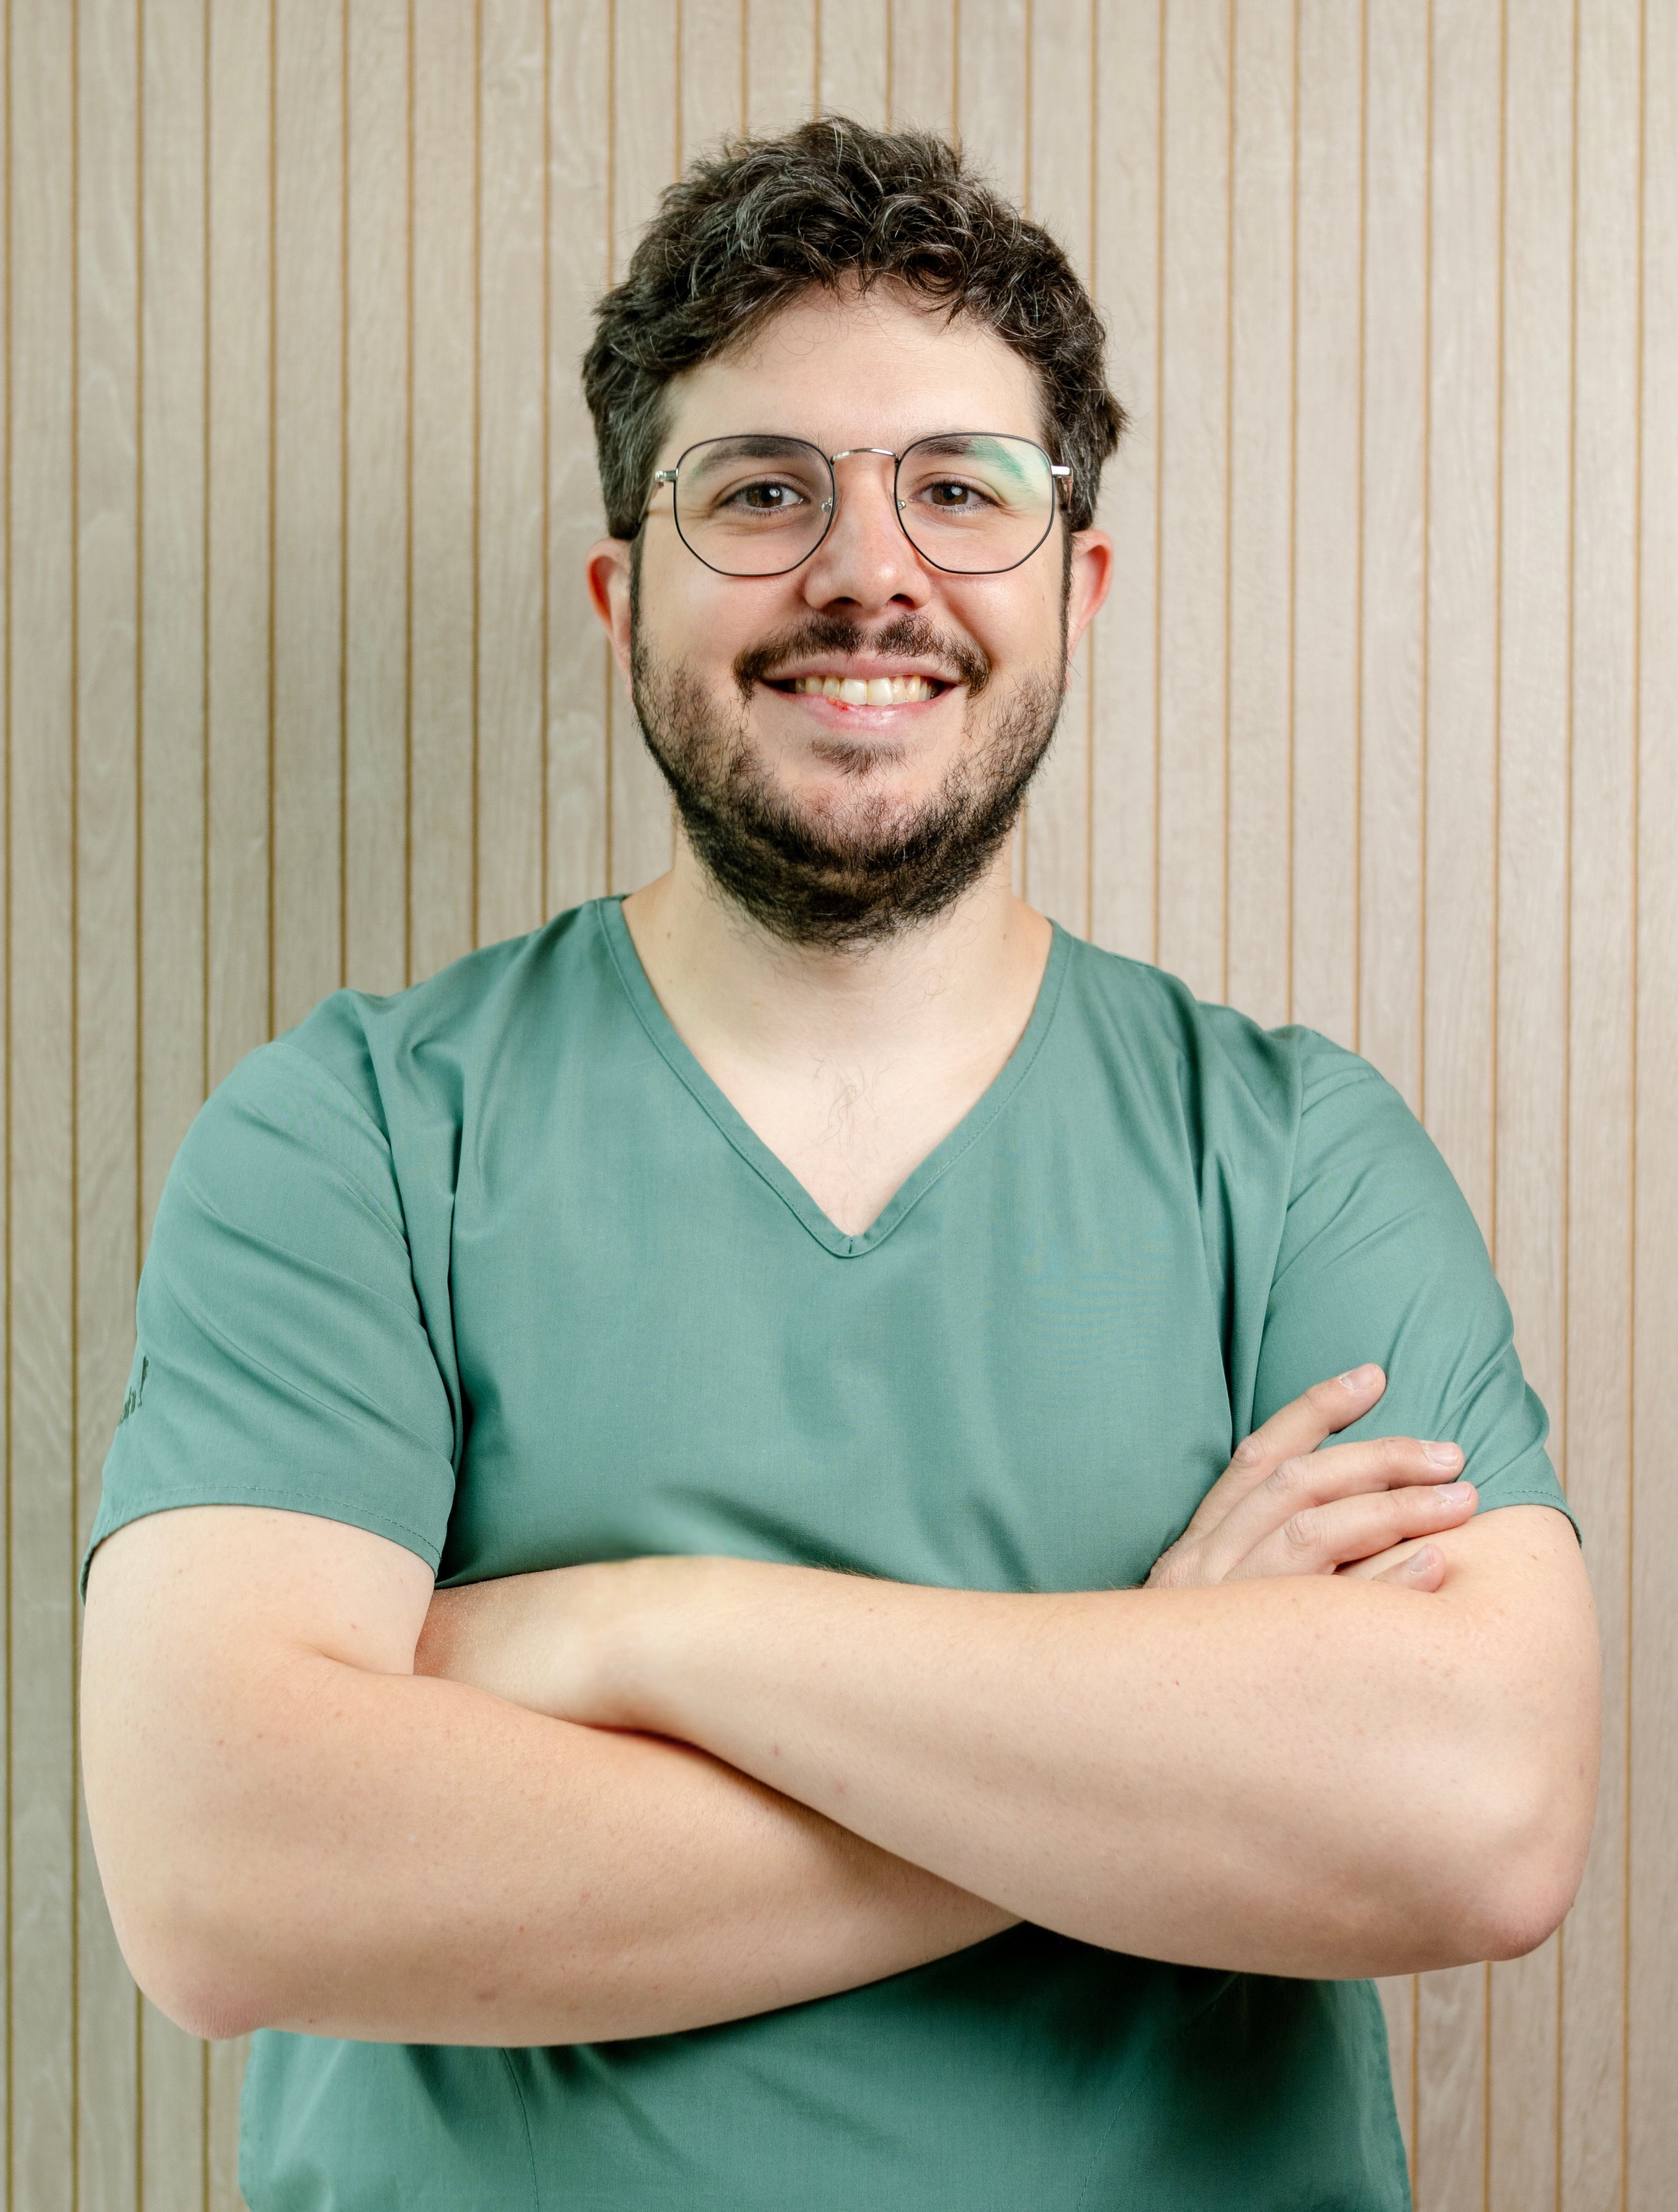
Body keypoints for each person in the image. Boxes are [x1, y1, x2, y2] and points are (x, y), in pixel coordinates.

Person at [80, 119, 1597, 2211]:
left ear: (1073, 589)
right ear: (625, 592)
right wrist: (1151, 1710)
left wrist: (628, 1635)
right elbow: (225, 1879)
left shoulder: (1295, 1161)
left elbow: (1478, 1818)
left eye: (959, 491)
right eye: (762, 490)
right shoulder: (353, 1137)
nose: (867, 570)